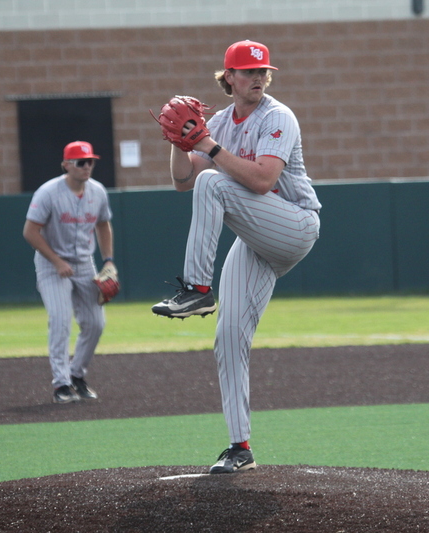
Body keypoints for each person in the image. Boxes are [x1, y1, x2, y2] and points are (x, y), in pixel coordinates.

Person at [151, 40, 322, 474]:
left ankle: (197, 289)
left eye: (263, 70)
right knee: (228, 338)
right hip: (256, 240)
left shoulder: (277, 116)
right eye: (248, 71)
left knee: (215, 183)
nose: (259, 78)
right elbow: (181, 180)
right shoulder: (223, 122)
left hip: (295, 226)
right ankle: (239, 446)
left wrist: (205, 144)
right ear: (228, 77)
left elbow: (264, 181)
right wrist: (178, 139)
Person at [23, 141, 115, 404]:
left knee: (96, 323)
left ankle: (77, 375)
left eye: (90, 162)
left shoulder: (97, 191)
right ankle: (61, 384)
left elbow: (104, 226)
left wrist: (108, 261)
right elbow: (30, 231)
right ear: (66, 165)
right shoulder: (48, 192)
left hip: (85, 263)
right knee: (61, 321)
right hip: (51, 264)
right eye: (81, 162)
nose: (87, 166)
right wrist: (56, 261)